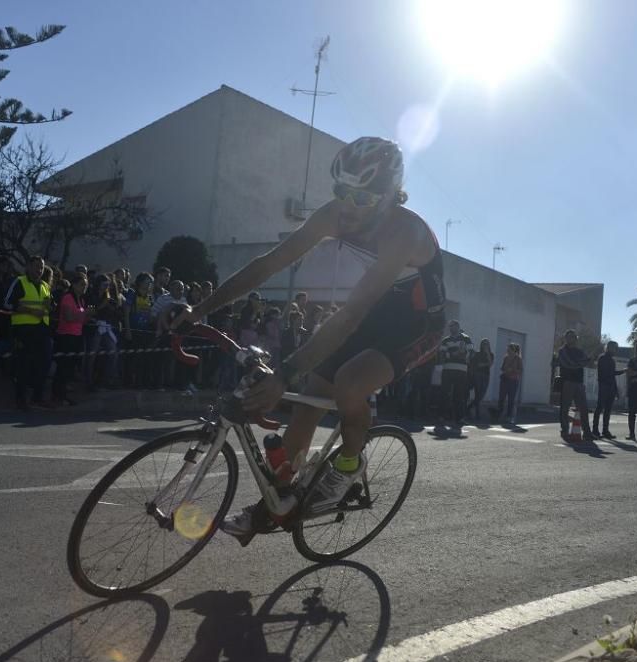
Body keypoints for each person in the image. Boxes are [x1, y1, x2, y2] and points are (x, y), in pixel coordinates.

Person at [173, 136, 445, 545]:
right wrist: (200, 309)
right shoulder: (334, 215)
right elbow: (268, 264)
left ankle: (350, 465)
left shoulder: (403, 232)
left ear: (389, 195)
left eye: (363, 197)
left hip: (417, 325)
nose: (349, 207)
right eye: (342, 192)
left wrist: (283, 374)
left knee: (350, 383)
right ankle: (275, 503)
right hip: (373, 312)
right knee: (308, 404)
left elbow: (352, 315)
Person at [4, 256, 54, 410]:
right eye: (37, 266)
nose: (39, 270)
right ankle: (21, 399)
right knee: (23, 365)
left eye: (42, 267)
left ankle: (37, 398)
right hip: (24, 329)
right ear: (28, 266)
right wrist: (31, 311)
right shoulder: (20, 281)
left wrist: (50, 306)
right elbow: (7, 303)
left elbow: (49, 307)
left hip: (42, 329)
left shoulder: (45, 285)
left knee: (43, 365)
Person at [52, 275, 91, 405]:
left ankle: (63, 395)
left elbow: (82, 320)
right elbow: (68, 317)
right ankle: (57, 395)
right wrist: (84, 314)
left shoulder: (81, 300)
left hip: (76, 336)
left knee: (69, 369)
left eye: (85, 285)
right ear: (74, 285)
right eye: (81, 284)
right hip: (66, 336)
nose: (84, 287)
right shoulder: (68, 298)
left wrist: (89, 315)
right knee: (63, 368)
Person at [436, 320, 472, 432]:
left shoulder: (466, 338)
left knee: (459, 394)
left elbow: (470, 352)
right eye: (450, 326)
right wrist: (453, 354)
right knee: (444, 393)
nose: (452, 328)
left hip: (461, 370)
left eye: (454, 326)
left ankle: (459, 418)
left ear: (458, 326)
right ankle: (442, 416)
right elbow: (442, 353)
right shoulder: (446, 340)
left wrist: (462, 355)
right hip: (448, 369)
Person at [557, 330, 592, 440]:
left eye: (573, 337)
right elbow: (567, 364)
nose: (571, 339)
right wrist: (579, 363)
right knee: (565, 408)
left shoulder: (580, 351)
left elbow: (587, 361)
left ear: (576, 339)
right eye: (568, 337)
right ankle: (565, 431)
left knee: (583, 409)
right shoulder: (562, 351)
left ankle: (587, 433)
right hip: (567, 382)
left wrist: (579, 363)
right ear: (565, 338)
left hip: (579, 382)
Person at [592, 341, 627, 439]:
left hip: (610, 386)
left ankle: (605, 430)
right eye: (614, 348)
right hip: (604, 385)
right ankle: (595, 430)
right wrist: (623, 371)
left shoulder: (611, 360)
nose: (615, 350)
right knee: (599, 408)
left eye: (616, 348)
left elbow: (612, 376)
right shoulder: (602, 358)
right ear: (609, 348)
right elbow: (609, 373)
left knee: (608, 410)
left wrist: (615, 390)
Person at [494, 343, 523, 423]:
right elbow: (502, 368)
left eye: (509, 349)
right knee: (501, 398)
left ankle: (509, 416)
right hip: (505, 380)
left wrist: (513, 370)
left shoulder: (518, 359)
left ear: (513, 350)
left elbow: (520, 370)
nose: (508, 350)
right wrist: (505, 369)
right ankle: (499, 414)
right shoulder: (506, 358)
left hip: (513, 381)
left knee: (511, 399)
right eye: (507, 349)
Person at [466, 338, 494, 421]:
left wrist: (487, 354)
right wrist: (486, 364)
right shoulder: (477, 354)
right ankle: (477, 414)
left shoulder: (490, 354)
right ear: (481, 344)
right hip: (477, 375)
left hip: (486, 375)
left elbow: (490, 364)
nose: (485, 345)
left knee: (482, 394)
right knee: (478, 393)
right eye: (484, 343)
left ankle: (468, 408)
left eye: (487, 343)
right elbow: (477, 365)